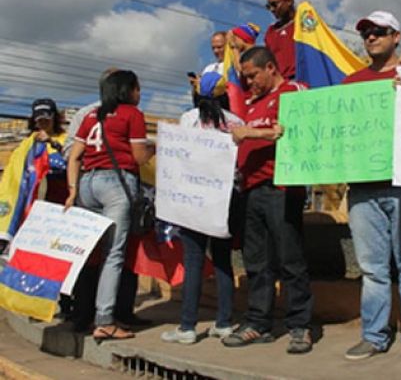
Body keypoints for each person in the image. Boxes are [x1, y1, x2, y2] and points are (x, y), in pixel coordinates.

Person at [342, 11, 401, 365]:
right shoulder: (350, 84)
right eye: (366, 32)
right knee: (372, 269)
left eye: (379, 31)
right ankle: (373, 336)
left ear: (397, 36)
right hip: (363, 188)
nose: (371, 37)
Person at [222, 46, 313, 355]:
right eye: (245, 78)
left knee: (290, 260)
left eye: (253, 76)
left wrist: (250, 133)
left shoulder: (294, 91)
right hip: (251, 190)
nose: (249, 83)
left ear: (271, 68)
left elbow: (290, 130)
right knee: (256, 262)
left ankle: (300, 325)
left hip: (281, 189)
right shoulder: (251, 104)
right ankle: (258, 322)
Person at [65, 70, 154, 341]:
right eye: (138, 88)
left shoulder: (92, 115)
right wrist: (155, 148)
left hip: (87, 185)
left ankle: (82, 312)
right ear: (127, 90)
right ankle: (104, 319)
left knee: (88, 254)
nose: (140, 94)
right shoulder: (132, 114)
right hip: (115, 184)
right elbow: (138, 157)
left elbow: (75, 156)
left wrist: (72, 191)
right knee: (113, 255)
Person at [160, 76, 243, 345]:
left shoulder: (188, 119)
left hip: (193, 200)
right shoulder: (236, 122)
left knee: (194, 263)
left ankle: (187, 327)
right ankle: (225, 323)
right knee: (222, 261)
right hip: (226, 201)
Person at [0, 98, 67, 254]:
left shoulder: (65, 138)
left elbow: (69, 160)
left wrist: (51, 143)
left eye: (46, 119)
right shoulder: (27, 143)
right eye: (39, 120)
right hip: (31, 203)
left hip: (57, 200)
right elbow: (15, 172)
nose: (43, 123)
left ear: (54, 118)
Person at [191, 32, 230, 111]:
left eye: (219, 47)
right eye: (213, 48)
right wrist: (195, 86)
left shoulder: (234, 67)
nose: (215, 51)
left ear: (228, 45)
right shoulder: (208, 68)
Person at [264, 0, 296, 81]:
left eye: (274, 4)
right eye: (268, 6)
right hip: (280, 84)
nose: (272, 9)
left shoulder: (303, 23)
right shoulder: (271, 31)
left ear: (289, 1)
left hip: (302, 80)